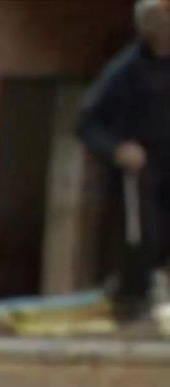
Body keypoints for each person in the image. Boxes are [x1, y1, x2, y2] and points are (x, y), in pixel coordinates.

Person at [76, 0, 170, 331]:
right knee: (144, 238)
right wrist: (117, 149)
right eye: (157, 19)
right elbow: (86, 122)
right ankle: (134, 301)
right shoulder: (126, 70)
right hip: (141, 172)